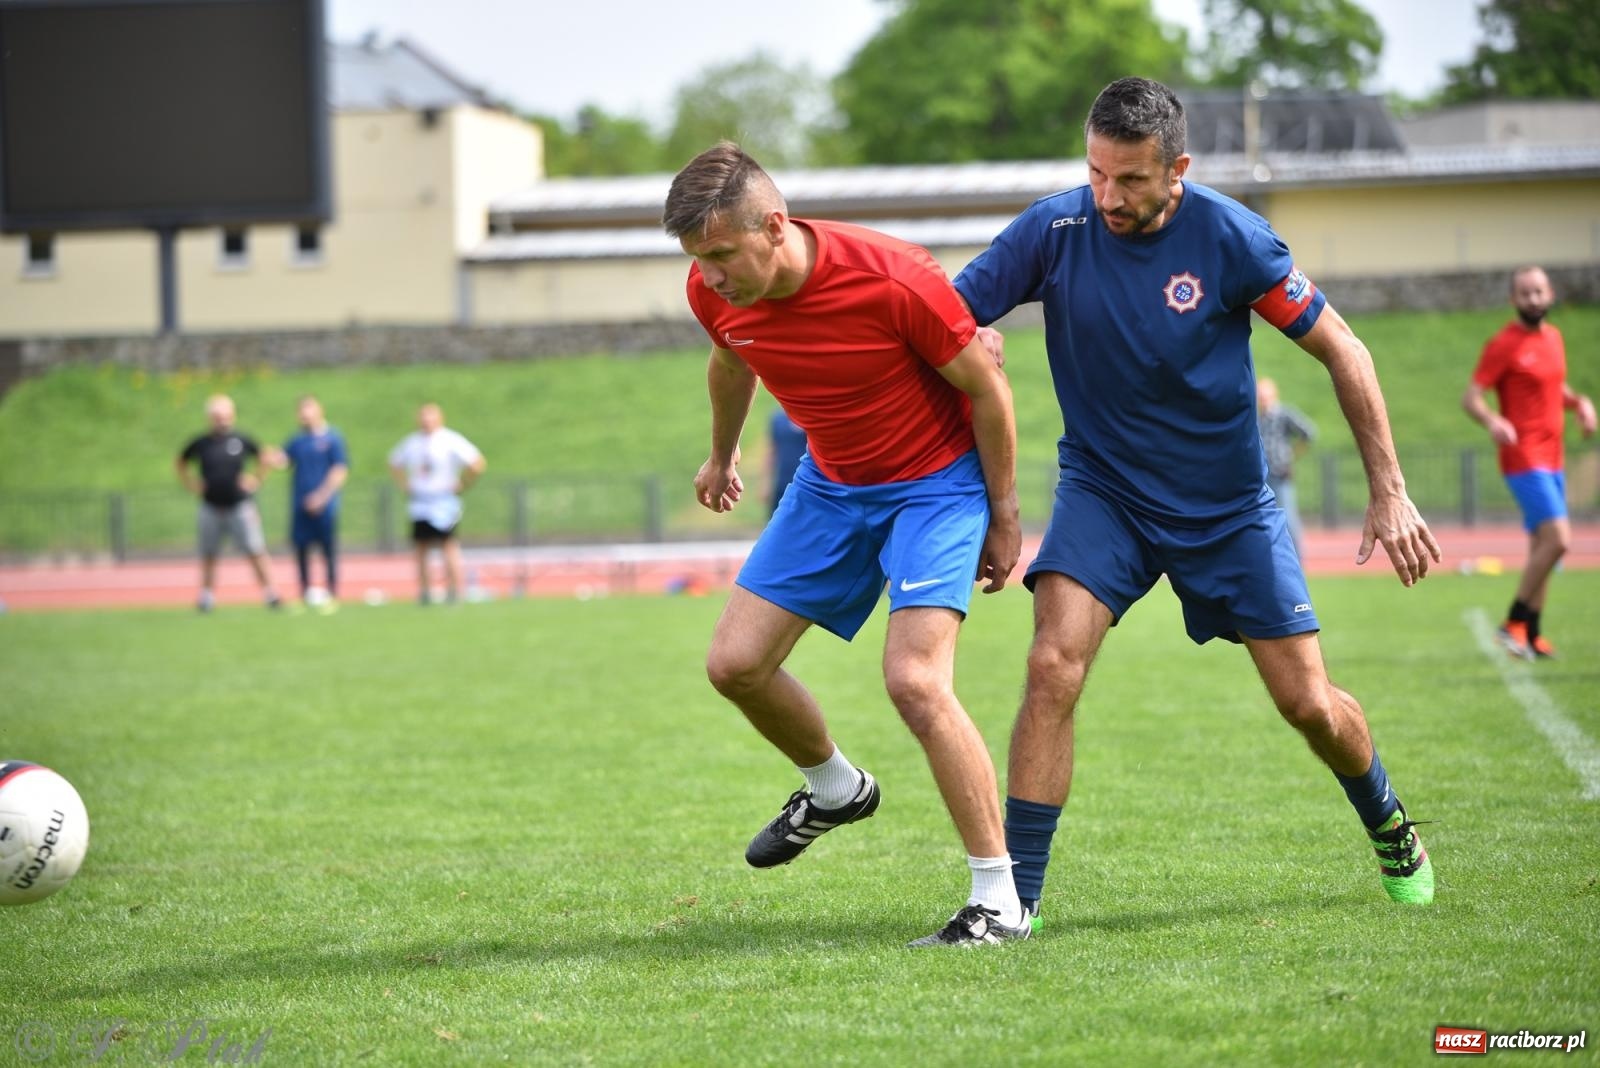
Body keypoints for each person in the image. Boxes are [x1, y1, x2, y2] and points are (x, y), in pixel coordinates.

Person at [952, 78, 1443, 929]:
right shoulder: (1055, 227)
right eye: (1097, 173)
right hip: (1105, 493)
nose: (1107, 195)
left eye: (1130, 180)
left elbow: (1347, 352)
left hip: (1228, 510)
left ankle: (1388, 819)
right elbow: (942, 316)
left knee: (1308, 706)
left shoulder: (1233, 238)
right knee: (1050, 664)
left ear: (1178, 168)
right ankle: (1015, 902)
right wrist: (970, 335)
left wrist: (1389, 492)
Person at [664, 141, 1029, 947]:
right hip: (831, 486)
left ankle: (999, 901)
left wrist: (1004, 515)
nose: (711, 275)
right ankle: (834, 788)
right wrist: (721, 454)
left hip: (936, 485)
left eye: (723, 253)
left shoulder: (893, 276)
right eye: (698, 259)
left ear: (775, 225)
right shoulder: (711, 289)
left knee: (914, 681)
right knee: (735, 665)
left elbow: (988, 389)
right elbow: (730, 365)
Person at [1462, 265, 1596, 660]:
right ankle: (1513, 621)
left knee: (1545, 545)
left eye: (1539, 292)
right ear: (1513, 300)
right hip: (1523, 456)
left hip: (1553, 456)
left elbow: (1555, 387)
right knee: (1559, 539)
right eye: (1525, 293)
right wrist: (1492, 419)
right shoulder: (1503, 344)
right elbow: (1471, 397)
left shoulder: (1554, 338)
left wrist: (1580, 404)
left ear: (1550, 294)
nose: (1533, 299)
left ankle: (1533, 632)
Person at [176, 394, 283, 613]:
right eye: (217, 416)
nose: (222, 420)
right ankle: (206, 596)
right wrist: (192, 484)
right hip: (211, 506)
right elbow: (181, 461)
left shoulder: (240, 440)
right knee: (209, 553)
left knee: (255, 549)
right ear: (209, 418)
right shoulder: (202, 443)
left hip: (239, 506)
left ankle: (270, 593)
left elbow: (263, 455)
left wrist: (256, 480)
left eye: (225, 416)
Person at [387, 403, 486, 605]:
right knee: (421, 547)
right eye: (423, 417)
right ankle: (425, 592)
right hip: (421, 501)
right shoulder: (412, 442)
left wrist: (463, 483)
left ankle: (456, 591)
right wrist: (405, 485)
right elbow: (394, 463)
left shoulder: (449, 440)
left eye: (430, 417)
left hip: (443, 501)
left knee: (448, 545)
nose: (426, 421)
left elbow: (477, 463)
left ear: (440, 418)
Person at [282, 395, 349, 612]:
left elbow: (339, 470)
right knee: (301, 548)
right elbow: (283, 460)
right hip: (300, 503)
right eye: (301, 411)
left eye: (309, 409)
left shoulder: (332, 438)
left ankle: (332, 593)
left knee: (327, 548)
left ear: (320, 410)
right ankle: (304, 593)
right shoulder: (297, 440)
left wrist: (322, 496)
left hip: (324, 505)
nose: (305, 415)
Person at [1256, 376, 1317, 560]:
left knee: (1289, 518)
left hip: (1281, 473)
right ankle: (1269, 557)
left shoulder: (1284, 415)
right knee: (1262, 518)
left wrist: (1291, 455)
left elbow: (1309, 432)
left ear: (1274, 395)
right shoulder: (1257, 418)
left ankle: (1298, 559)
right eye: (1261, 396)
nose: (1263, 400)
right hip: (1262, 476)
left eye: (1266, 396)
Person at [766, 407, 809, 516]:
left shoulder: (810, 418)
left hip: (806, 483)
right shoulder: (778, 419)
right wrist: (766, 484)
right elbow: (772, 450)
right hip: (781, 482)